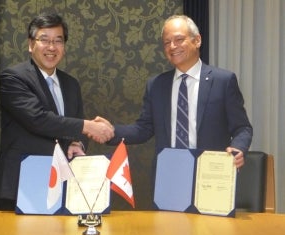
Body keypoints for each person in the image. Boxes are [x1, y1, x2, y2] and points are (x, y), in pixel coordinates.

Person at [0, 13, 114, 211]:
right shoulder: (13, 78)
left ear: (64, 47)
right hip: (23, 184)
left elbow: (72, 127)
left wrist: (77, 142)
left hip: (62, 184)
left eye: (58, 41)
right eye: (44, 40)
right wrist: (87, 126)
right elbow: (38, 119)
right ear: (31, 45)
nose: (51, 47)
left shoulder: (71, 84)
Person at [102, 14, 252, 168]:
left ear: (197, 40)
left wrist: (239, 147)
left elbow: (242, 127)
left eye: (179, 39)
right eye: (167, 42)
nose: (172, 46)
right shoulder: (156, 85)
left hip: (211, 171)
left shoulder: (223, 81)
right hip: (169, 171)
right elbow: (143, 129)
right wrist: (110, 131)